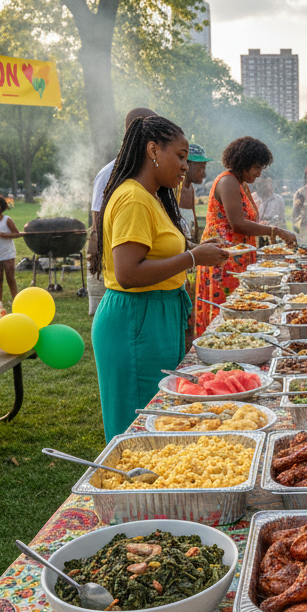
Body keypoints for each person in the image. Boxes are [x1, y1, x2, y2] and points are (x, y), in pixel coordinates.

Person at [91, 114, 229, 440]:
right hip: (136, 320)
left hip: (156, 315)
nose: (185, 165)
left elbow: (157, 250)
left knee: (162, 420)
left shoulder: (151, 196)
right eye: (180, 156)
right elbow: (128, 272)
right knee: (141, 427)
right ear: (153, 150)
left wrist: (197, 248)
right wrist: (193, 257)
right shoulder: (133, 198)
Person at [195, 137, 298, 334]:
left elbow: (250, 221)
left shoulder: (242, 184)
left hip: (238, 257)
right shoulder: (227, 181)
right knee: (225, 316)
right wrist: (277, 231)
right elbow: (238, 224)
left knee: (241, 311)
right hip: (222, 258)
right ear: (243, 162)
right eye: (256, 167)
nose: (259, 173)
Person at [87, 107, 158, 315]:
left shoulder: (152, 171)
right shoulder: (109, 172)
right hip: (115, 256)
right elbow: (97, 218)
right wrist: (95, 252)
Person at [178, 142, 209, 241]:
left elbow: (193, 219)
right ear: (188, 165)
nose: (204, 174)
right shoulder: (175, 189)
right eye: (201, 168)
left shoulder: (190, 189)